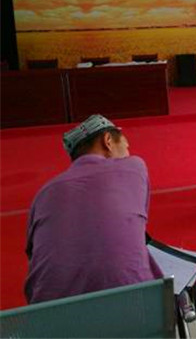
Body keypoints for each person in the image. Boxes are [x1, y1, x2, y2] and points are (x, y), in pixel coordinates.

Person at [24, 114, 163, 304]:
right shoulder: (134, 167)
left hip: (49, 313)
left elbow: (33, 254)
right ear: (108, 141)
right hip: (134, 305)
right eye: (126, 146)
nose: (128, 153)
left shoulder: (44, 193)